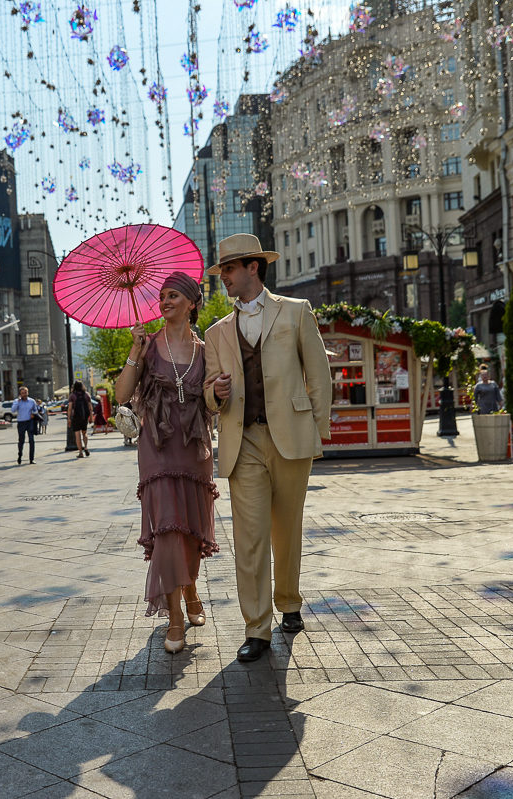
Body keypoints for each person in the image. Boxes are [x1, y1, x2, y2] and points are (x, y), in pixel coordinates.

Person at [202, 233, 332, 663]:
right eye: (221, 271)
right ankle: (256, 628)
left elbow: (318, 373)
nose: (223, 277)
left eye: (229, 269)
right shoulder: (217, 332)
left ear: (252, 267)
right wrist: (215, 392)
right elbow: (209, 391)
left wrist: (318, 429)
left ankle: (289, 600)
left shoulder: (295, 312)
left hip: (291, 436)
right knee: (250, 537)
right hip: (244, 441)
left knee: (286, 528)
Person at [114, 271, 219, 654]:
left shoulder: (206, 348)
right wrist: (133, 353)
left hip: (194, 450)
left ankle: (192, 591)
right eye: (162, 296)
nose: (165, 301)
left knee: (191, 529)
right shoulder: (147, 345)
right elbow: (123, 395)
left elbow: (213, 400)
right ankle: (175, 616)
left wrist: (218, 392)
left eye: (174, 295)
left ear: (192, 303)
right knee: (169, 530)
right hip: (156, 449)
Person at [11, 386, 37, 465]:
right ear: (20, 394)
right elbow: (13, 410)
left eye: (25, 392)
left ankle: (31, 459)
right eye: (23, 393)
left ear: (27, 393)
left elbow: (35, 410)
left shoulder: (32, 401)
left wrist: (33, 413)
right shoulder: (17, 401)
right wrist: (17, 402)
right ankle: (20, 456)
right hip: (21, 423)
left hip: (29, 422)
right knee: (21, 441)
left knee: (31, 440)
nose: (24, 394)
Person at [67, 381, 93, 457]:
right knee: (84, 433)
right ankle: (86, 447)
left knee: (77, 435)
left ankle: (80, 452)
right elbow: (90, 407)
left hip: (76, 417)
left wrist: (69, 418)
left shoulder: (72, 396)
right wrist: (91, 417)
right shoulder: (86, 395)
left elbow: (70, 408)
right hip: (84, 417)